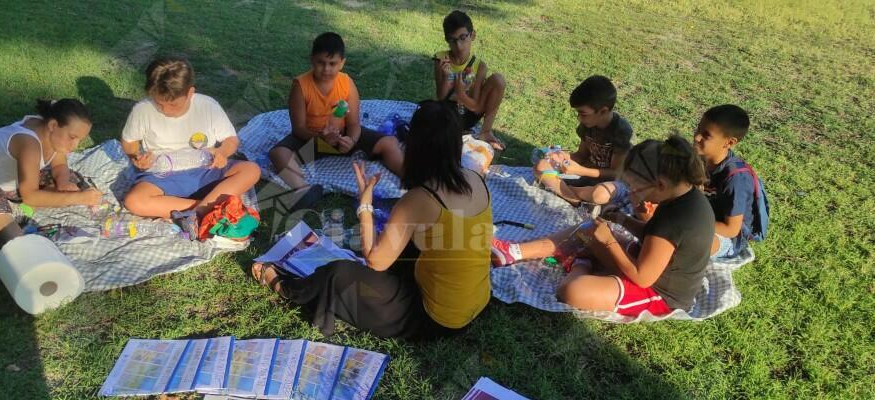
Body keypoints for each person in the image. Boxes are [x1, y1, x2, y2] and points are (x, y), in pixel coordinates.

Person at [253, 101, 493, 340]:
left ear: (414, 146)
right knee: (406, 246)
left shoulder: (419, 199)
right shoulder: (475, 178)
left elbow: (376, 262)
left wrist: (365, 204)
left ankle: (284, 287)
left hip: (433, 320)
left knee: (339, 274)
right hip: (476, 306)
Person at [492, 136, 714, 317]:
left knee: (572, 291)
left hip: (659, 294)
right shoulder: (686, 196)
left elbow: (643, 277)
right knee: (588, 229)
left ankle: (581, 263)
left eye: (635, 187)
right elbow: (652, 237)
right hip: (646, 261)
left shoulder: (674, 220)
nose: (632, 192)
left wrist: (608, 240)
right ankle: (513, 252)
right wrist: (623, 220)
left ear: (661, 185)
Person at [121, 56, 261, 239]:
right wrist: (136, 156)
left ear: (190, 93)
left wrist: (222, 153)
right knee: (134, 201)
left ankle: (196, 212)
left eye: (173, 105)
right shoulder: (142, 110)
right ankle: (212, 210)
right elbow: (129, 142)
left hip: (205, 167)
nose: (165, 110)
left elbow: (230, 139)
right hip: (163, 174)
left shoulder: (207, 106)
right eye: (159, 104)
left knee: (251, 170)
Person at [269, 32, 404, 212]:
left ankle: (413, 179)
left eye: (332, 64)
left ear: (342, 63)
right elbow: (298, 128)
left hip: (344, 135)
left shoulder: (347, 83)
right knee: (278, 153)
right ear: (312, 60)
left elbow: (354, 123)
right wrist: (322, 139)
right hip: (312, 138)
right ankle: (302, 190)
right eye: (320, 63)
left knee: (389, 142)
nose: (326, 69)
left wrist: (352, 141)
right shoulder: (301, 86)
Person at [0, 99, 102, 245]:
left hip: (11, 182)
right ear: (53, 125)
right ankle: (19, 244)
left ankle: (25, 205)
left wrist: (63, 182)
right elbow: (30, 196)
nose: (75, 146)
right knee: (5, 222)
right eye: (72, 137)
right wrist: (78, 198)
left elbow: (59, 166)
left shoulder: (50, 133)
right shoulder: (29, 143)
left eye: (79, 140)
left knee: (73, 179)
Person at [535, 75, 634, 206]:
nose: (579, 118)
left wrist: (580, 170)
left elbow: (615, 173)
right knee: (541, 166)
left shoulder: (620, 130)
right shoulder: (588, 125)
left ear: (603, 111)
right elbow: (581, 155)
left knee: (599, 194)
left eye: (583, 113)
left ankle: (564, 191)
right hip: (585, 176)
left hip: (609, 183)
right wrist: (563, 157)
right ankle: (575, 200)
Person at [433, 10, 507, 151]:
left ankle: (485, 132)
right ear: (446, 40)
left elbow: (476, 107)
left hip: (469, 114)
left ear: (472, 35)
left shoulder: (479, 66)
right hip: (448, 116)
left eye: (463, 38)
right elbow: (440, 98)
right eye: (452, 40)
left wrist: (460, 94)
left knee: (498, 80)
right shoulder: (441, 59)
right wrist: (448, 78)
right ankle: (456, 133)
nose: (459, 46)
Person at [693, 104, 757, 260]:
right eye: (698, 129)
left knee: (693, 244)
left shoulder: (735, 179)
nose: (696, 137)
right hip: (699, 218)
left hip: (726, 237)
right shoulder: (700, 158)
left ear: (729, 143)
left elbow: (731, 229)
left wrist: (688, 222)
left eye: (706, 135)